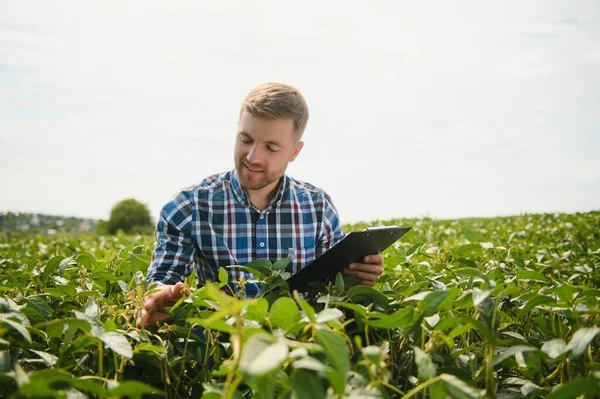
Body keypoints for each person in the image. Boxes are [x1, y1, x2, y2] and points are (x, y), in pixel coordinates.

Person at [137, 82, 384, 328]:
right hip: (221, 351)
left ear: (294, 152)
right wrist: (159, 296)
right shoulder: (189, 207)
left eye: (271, 147)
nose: (253, 157)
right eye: (245, 139)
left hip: (296, 351)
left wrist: (358, 280)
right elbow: (162, 278)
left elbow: (334, 294)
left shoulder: (318, 208)